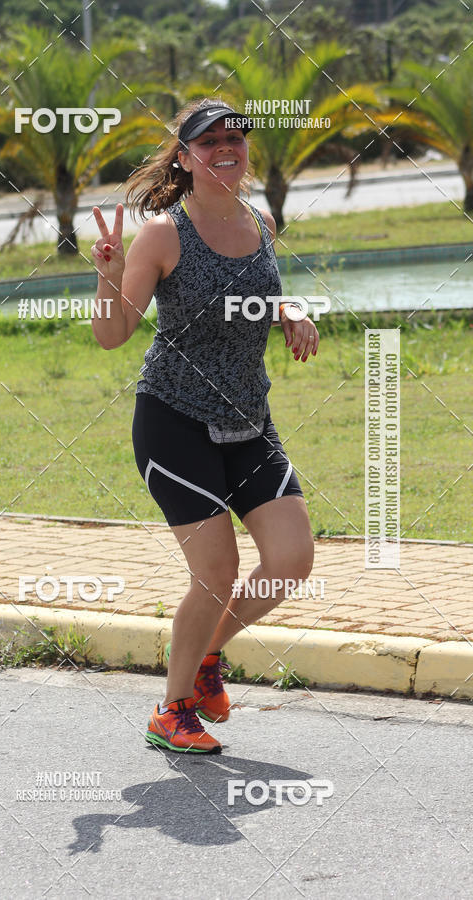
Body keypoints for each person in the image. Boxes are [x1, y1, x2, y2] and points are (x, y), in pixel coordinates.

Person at [91, 97, 319, 754]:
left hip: (249, 421)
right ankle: (171, 710)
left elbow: (266, 289)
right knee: (216, 571)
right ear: (185, 158)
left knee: (291, 559)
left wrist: (291, 311)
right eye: (209, 139)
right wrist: (108, 281)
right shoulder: (163, 233)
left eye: (236, 136)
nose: (226, 146)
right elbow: (113, 334)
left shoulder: (261, 220)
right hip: (175, 422)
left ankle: (206, 658)